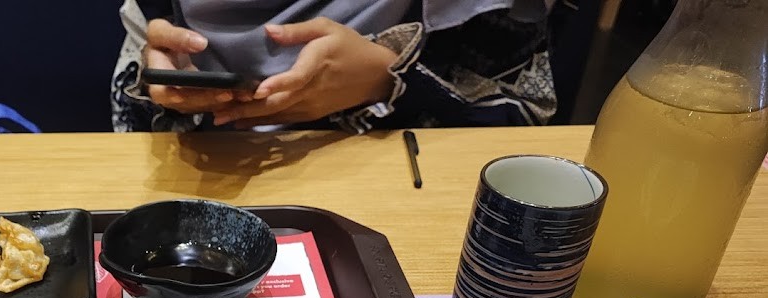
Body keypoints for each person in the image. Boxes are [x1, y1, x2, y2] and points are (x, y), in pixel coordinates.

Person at [111, 1, 561, 133]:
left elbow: (522, 120)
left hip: (382, 186)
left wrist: (387, 78)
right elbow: (133, 102)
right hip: (194, 171)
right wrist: (159, 83)